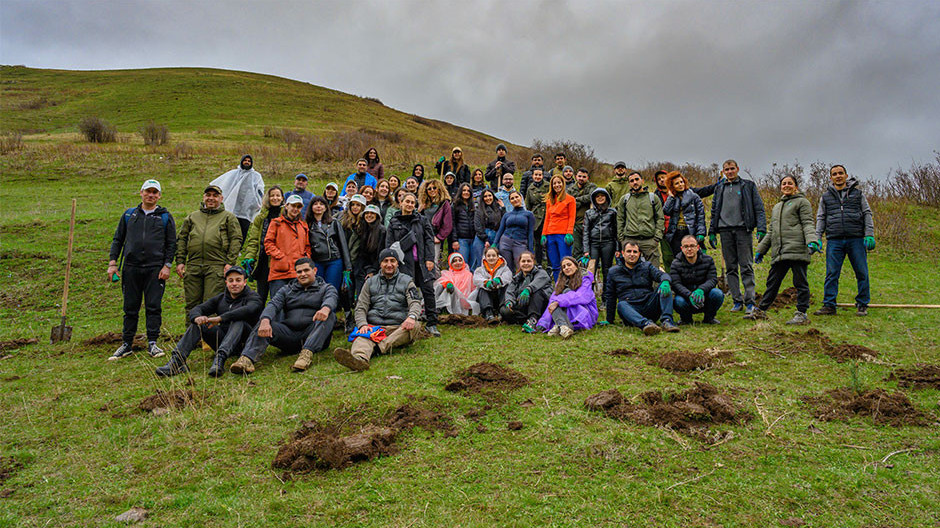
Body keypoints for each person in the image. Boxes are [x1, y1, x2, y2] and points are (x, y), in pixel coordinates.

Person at [107, 179, 177, 360]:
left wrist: (167, 266)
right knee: (130, 307)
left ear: (159, 196)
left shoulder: (165, 217)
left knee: (153, 306)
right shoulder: (129, 215)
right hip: (131, 268)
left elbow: (171, 243)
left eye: (154, 192)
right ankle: (126, 344)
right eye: (148, 191)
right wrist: (113, 263)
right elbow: (118, 239)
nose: (151, 195)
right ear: (141, 193)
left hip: (155, 269)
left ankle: (152, 343)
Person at [230, 258, 338, 374]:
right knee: (264, 321)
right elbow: (273, 304)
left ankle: (306, 354)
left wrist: (325, 308)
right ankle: (246, 359)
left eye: (306, 270)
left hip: (313, 335)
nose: (303, 274)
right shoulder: (287, 290)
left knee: (330, 315)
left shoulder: (326, 288)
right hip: (289, 335)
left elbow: (331, 298)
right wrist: (265, 320)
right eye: (299, 272)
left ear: (315, 270)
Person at [155, 266, 262, 377]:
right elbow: (197, 309)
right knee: (199, 324)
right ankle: (176, 361)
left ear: (245, 282)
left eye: (238, 280)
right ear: (226, 283)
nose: (234, 284)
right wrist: (197, 317)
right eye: (231, 281)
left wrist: (220, 318)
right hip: (223, 340)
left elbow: (248, 310)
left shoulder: (254, 297)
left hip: (245, 345)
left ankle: (219, 361)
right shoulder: (220, 298)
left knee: (238, 321)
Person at [333, 247, 424, 372]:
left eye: (392, 261)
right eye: (385, 261)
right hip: (374, 327)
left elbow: (415, 302)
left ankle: (378, 348)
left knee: (415, 326)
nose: (389, 264)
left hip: (398, 327)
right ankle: (359, 360)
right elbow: (361, 307)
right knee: (362, 337)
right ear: (380, 263)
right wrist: (362, 324)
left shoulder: (407, 281)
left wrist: (411, 317)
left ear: (397, 263)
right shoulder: (370, 282)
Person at [747, 175, 820, 324]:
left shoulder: (802, 202)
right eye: (784, 183)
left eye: (790, 183)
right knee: (772, 282)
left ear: (796, 187)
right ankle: (761, 311)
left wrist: (812, 241)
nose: (786, 185)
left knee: (800, 282)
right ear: (781, 187)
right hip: (780, 252)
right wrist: (761, 250)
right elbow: (771, 232)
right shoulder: (777, 207)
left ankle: (801, 313)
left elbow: (807, 223)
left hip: (797, 249)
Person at [814, 165, 876, 317]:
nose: (838, 176)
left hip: (856, 239)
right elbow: (821, 217)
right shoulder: (826, 197)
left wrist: (869, 234)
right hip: (834, 240)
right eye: (834, 174)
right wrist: (817, 238)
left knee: (861, 272)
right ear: (831, 178)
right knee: (832, 273)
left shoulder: (858, 194)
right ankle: (829, 305)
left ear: (846, 175)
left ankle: (862, 304)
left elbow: (867, 213)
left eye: (840, 173)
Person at [176, 185, 242, 324]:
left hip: (216, 266)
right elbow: (182, 238)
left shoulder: (228, 217)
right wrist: (181, 261)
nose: (211, 198)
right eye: (208, 195)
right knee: (192, 303)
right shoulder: (192, 217)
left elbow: (236, 239)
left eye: (215, 195)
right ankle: (192, 333)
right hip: (193, 265)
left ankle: (209, 334)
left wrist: (229, 263)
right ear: (204, 197)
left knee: (211, 303)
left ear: (221, 198)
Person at [708, 159, 766, 315]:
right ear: (723, 172)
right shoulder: (719, 188)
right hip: (725, 231)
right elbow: (714, 210)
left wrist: (761, 228)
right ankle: (737, 300)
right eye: (726, 169)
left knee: (746, 266)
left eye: (732, 168)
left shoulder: (748, 186)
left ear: (737, 169)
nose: (730, 172)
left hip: (743, 230)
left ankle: (750, 301)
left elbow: (759, 208)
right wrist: (712, 231)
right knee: (730, 268)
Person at [386, 192, 441, 337]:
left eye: (412, 202)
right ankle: (405, 320)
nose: (410, 205)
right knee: (406, 293)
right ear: (401, 203)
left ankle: (432, 322)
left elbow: (429, 240)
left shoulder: (422, 220)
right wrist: (392, 262)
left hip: (422, 263)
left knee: (428, 290)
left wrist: (430, 258)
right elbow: (389, 244)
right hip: (404, 264)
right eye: (407, 202)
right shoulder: (394, 222)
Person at [604, 242, 679, 335]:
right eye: (629, 251)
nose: (632, 254)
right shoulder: (613, 272)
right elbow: (610, 296)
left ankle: (667, 321)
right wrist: (609, 319)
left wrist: (666, 281)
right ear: (623, 253)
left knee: (664, 286)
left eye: (635, 252)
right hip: (630, 310)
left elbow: (662, 275)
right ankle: (646, 324)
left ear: (639, 254)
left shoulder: (647, 266)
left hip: (649, 305)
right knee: (621, 305)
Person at [305, 195, 353, 330]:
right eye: (315, 204)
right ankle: (321, 320)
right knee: (318, 291)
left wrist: (347, 266)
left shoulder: (334, 223)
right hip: (317, 262)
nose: (318, 206)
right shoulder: (307, 224)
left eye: (321, 204)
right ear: (311, 207)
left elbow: (343, 244)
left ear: (326, 207)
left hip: (334, 261)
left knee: (332, 290)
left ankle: (339, 318)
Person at [536, 256, 598, 338]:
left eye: (569, 265)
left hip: (585, 314)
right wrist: (543, 323)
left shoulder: (585, 279)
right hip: (568, 314)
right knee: (556, 300)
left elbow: (581, 296)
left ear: (576, 266)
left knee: (565, 293)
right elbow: (552, 302)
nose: (566, 268)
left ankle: (560, 325)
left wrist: (558, 302)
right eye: (564, 267)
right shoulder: (561, 281)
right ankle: (563, 326)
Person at [263, 194, 311, 301]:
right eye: (293, 206)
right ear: (286, 206)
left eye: (298, 207)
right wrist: (281, 257)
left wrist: (306, 258)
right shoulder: (276, 223)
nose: (295, 209)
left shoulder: (303, 226)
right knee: (278, 303)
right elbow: (268, 243)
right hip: (279, 272)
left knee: (297, 304)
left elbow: (307, 246)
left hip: (298, 272)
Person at [240, 186, 283, 302]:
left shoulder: (285, 217)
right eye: (272, 195)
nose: (275, 198)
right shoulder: (260, 218)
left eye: (278, 195)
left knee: (278, 295)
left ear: (282, 198)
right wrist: (249, 257)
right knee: (261, 295)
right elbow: (253, 239)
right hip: (263, 260)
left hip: (279, 261)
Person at [670, 235, 724, 325]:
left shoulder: (708, 260)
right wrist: (689, 295)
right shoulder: (675, 264)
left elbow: (712, 279)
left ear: (698, 247)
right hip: (686, 298)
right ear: (681, 248)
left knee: (717, 293)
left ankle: (709, 317)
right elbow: (676, 284)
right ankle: (686, 319)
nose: (689, 249)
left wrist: (701, 290)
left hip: (704, 297)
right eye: (686, 246)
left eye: (692, 246)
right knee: (678, 301)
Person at [616, 170, 665, 269]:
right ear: (629, 184)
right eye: (632, 181)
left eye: (637, 179)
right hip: (630, 239)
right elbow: (620, 219)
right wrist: (622, 239)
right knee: (628, 270)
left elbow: (660, 218)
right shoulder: (624, 199)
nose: (635, 182)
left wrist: (657, 238)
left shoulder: (653, 198)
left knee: (653, 270)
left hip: (649, 240)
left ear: (642, 181)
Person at [210, 154, 265, 240]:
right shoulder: (234, 173)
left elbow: (260, 189)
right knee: (231, 227)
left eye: (249, 161)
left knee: (244, 228)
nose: (247, 162)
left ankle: (240, 245)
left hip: (247, 207)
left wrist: (258, 201)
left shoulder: (256, 176)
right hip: (234, 205)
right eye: (245, 160)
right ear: (242, 161)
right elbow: (225, 183)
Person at [500, 251, 552, 333]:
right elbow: (510, 291)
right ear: (519, 263)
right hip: (523, 306)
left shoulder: (541, 273)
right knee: (504, 310)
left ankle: (533, 320)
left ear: (533, 262)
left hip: (540, 305)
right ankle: (525, 320)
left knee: (537, 292)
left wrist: (528, 289)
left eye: (529, 261)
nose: (526, 263)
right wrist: (509, 302)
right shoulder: (516, 278)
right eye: (523, 261)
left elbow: (537, 283)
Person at [663, 171, 706, 259]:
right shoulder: (672, 198)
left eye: (681, 182)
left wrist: (701, 232)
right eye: (677, 183)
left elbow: (701, 216)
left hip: (690, 231)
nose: (680, 185)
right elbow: (666, 211)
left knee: (692, 257)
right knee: (678, 258)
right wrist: (671, 197)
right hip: (676, 233)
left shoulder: (694, 197)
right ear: (672, 186)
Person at [582, 188, 618, 290]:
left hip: (608, 243)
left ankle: (606, 295)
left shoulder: (612, 212)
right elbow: (585, 232)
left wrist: (618, 248)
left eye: (602, 195)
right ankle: (589, 293)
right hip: (593, 244)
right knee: (591, 269)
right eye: (597, 196)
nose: (600, 198)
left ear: (607, 197)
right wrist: (586, 249)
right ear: (594, 199)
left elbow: (617, 231)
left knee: (607, 269)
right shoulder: (589, 213)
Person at [542, 175, 576, 280]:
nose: (557, 185)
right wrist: (543, 234)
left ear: (563, 184)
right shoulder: (550, 201)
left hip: (563, 234)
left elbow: (572, 217)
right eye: (554, 183)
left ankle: (568, 284)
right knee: (555, 264)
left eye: (559, 182)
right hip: (550, 235)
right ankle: (558, 285)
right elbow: (547, 218)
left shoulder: (570, 199)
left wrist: (569, 232)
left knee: (566, 263)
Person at [493, 191, 535, 273]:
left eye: (516, 197)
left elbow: (530, 233)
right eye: (512, 198)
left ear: (521, 198)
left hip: (520, 242)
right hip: (505, 242)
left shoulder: (529, 214)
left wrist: (530, 249)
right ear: (510, 201)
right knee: (507, 267)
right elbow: (500, 230)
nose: (515, 199)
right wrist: (494, 243)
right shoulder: (507, 215)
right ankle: (509, 281)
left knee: (521, 266)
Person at [350, 204, 386, 296]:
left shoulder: (382, 231)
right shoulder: (363, 229)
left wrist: (372, 270)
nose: (369, 215)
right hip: (362, 267)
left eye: (372, 213)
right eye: (367, 213)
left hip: (375, 269)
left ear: (377, 216)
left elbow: (380, 253)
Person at [471, 247, 513, 322]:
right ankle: (488, 313)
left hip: (499, 296)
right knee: (482, 289)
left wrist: (499, 280)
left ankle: (501, 311)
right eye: (489, 256)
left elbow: (508, 277)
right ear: (485, 257)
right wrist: (486, 282)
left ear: (498, 257)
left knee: (506, 286)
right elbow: (476, 280)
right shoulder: (479, 270)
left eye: (493, 255)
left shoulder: (505, 268)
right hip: (486, 298)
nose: (491, 258)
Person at [417, 179, 453, 264]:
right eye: (429, 189)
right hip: (423, 235)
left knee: (434, 261)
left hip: (435, 235)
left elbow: (447, 224)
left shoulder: (444, 203)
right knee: (421, 260)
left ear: (439, 189)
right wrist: (418, 210)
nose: (432, 190)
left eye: (434, 188)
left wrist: (439, 237)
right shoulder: (423, 203)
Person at [568, 168, 597, 257]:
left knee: (590, 249)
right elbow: (569, 203)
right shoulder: (570, 189)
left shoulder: (592, 187)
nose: (581, 178)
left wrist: (577, 199)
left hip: (590, 223)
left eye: (584, 177)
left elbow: (591, 197)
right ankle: (577, 265)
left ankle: (591, 266)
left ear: (587, 178)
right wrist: (583, 201)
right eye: (579, 176)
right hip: (576, 223)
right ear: (576, 176)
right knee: (576, 250)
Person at [449, 183, 478, 269]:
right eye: (464, 190)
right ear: (460, 192)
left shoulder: (473, 205)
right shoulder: (455, 205)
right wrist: (454, 240)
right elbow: (452, 223)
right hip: (461, 239)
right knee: (462, 264)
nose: (466, 192)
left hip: (473, 239)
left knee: (473, 265)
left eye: (468, 191)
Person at [473, 189, 504, 265]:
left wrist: (503, 207)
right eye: (485, 196)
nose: (488, 198)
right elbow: (478, 226)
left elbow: (504, 221)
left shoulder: (498, 209)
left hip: (495, 236)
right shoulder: (478, 210)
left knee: (495, 261)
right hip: (481, 237)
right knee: (480, 261)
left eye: (490, 195)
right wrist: (485, 239)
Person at [525, 167, 548, 267]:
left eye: (540, 175)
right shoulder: (530, 188)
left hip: (547, 216)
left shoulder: (548, 186)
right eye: (536, 175)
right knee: (538, 243)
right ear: (532, 176)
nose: (538, 177)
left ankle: (550, 264)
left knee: (548, 242)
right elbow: (528, 205)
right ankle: (539, 263)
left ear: (542, 176)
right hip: (536, 218)